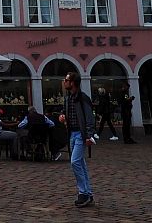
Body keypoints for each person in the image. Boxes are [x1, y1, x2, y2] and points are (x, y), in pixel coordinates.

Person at [58, 73, 96, 208]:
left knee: (75, 162)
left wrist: (89, 135)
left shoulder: (83, 98)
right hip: (72, 134)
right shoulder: (68, 98)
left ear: (73, 82)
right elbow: (64, 112)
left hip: (81, 134)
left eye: (66, 80)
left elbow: (90, 118)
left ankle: (83, 192)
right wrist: (62, 116)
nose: (64, 82)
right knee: (80, 163)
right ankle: (88, 192)